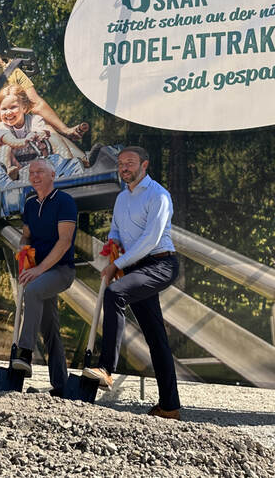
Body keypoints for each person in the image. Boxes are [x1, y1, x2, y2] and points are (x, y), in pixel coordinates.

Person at [84, 146, 182, 419]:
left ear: (145, 165)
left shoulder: (159, 195)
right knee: (156, 338)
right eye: (121, 163)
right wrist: (112, 247)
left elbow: (151, 240)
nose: (124, 167)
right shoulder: (121, 198)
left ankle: (106, 368)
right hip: (136, 267)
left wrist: (119, 264)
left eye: (130, 163)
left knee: (115, 294)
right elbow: (116, 230)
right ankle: (170, 407)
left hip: (161, 263)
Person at [0, 37, 88, 164]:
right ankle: (8, 177)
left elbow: (36, 104)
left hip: (24, 129)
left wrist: (64, 130)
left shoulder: (13, 73)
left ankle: (82, 164)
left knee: (51, 133)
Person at [10, 158, 77, 396]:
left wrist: (39, 270)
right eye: (32, 173)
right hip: (39, 271)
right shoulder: (29, 204)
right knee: (50, 328)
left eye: (40, 172)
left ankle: (25, 352)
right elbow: (27, 235)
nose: (35, 176)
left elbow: (64, 242)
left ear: (53, 174)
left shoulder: (65, 202)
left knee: (33, 290)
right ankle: (61, 385)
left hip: (61, 271)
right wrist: (23, 245)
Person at [0, 84, 89, 176]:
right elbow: (11, 141)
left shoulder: (34, 120)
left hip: (37, 161)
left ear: (24, 107)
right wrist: (25, 140)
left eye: (13, 107)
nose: (8, 112)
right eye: (4, 109)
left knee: (53, 137)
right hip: (17, 166)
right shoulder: (2, 126)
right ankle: (10, 172)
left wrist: (41, 134)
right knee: (4, 148)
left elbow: (43, 131)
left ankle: (69, 163)